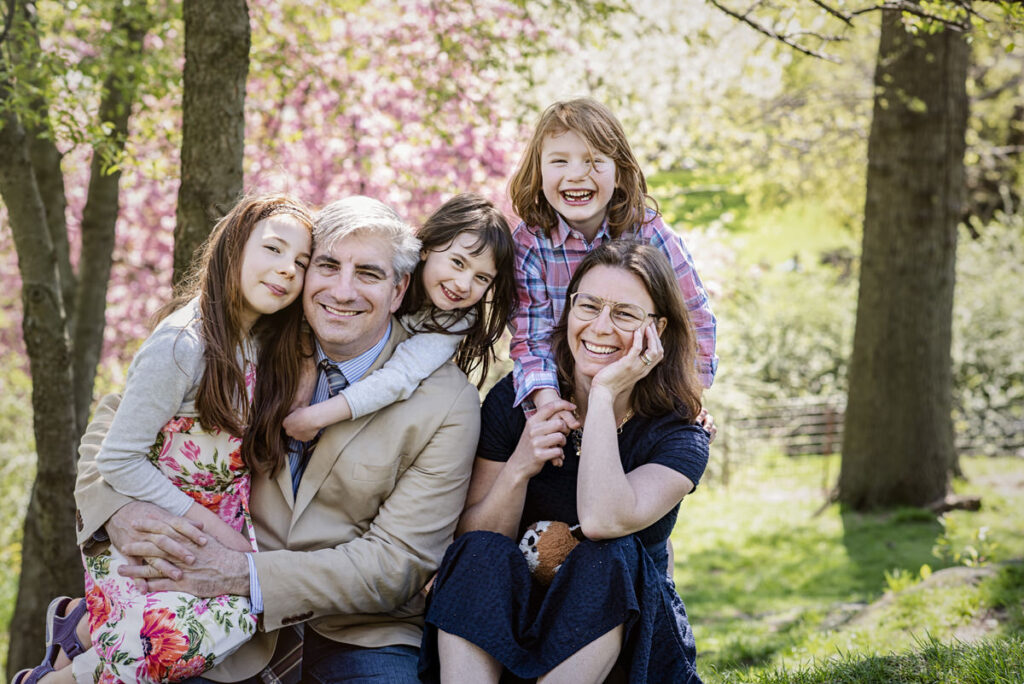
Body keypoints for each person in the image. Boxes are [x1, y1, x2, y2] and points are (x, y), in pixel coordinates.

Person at [72, 196, 482, 683]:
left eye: (369, 274)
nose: (343, 290)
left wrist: (245, 574)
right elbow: (115, 421)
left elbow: (398, 562)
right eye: (327, 265)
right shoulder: (251, 334)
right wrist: (117, 508)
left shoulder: (448, 401)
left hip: (358, 630)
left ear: (399, 291)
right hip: (209, 603)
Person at [13, 194, 315, 684]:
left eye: (300, 262)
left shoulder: (256, 343)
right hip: (163, 526)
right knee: (169, 643)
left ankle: (77, 635)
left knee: (236, 622)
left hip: (216, 525)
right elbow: (120, 459)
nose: (286, 270)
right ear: (233, 247)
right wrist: (212, 531)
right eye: (274, 250)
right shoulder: (181, 345)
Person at [420, 241, 710, 683]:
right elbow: (474, 547)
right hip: (504, 638)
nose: (601, 327)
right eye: (588, 306)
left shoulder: (678, 434)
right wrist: (520, 465)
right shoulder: (518, 401)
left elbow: (601, 520)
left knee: (611, 554)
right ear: (568, 308)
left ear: (659, 329)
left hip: (620, 650)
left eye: (626, 314)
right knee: (478, 549)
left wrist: (603, 394)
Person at [507, 97, 717, 431]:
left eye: (593, 161)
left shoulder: (649, 232)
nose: (576, 175)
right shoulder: (530, 244)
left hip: (642, 389)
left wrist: (691, 397)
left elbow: (695, 317)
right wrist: (551, 407)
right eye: (559, 161)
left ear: (618, 172)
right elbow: (532, 340)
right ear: (539, 171)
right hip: (564, 388)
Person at [282, 192, 515, 441]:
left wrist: (316, 417)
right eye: (458, 262)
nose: (463, 284)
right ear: (427, 248)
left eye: (482, 278)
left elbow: (399, 376)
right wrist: (307, 366)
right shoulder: (390, 267)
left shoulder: (455, 322)